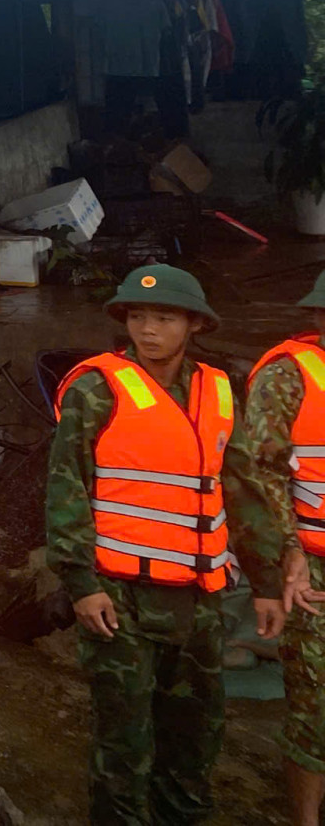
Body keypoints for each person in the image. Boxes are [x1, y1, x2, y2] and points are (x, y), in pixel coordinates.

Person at [48, 264, 233, 826]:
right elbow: (65, 489)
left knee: (195, 739)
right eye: (138, 316)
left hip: (198, 600)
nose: (148, 329)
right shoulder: (96, 388)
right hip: (119, 599)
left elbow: (239, 483)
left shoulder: (217, 389)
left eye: (164, 317)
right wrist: (81, 586)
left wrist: (273, 576)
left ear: (194, 324)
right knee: (124, 746)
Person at [225, 267, 325, 826]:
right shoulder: (289, 377)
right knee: (314, 699)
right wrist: (288, 555)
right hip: (312, 566)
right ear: (318, 318)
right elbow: (261, 474)